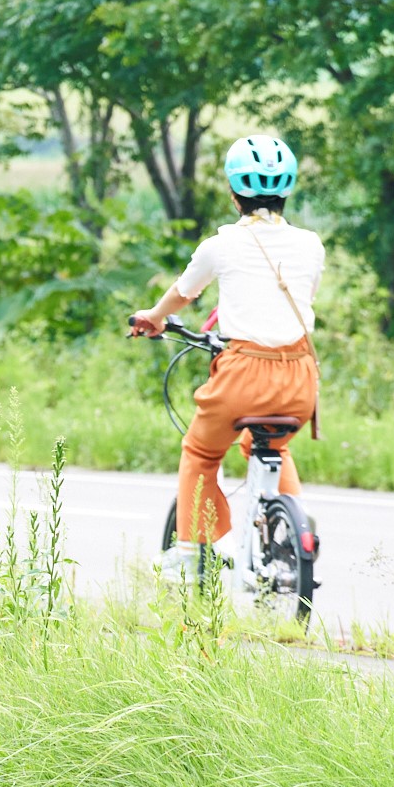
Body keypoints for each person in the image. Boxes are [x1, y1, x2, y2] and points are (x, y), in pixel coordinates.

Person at [126, 133, 324, 583]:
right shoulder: (312, 245)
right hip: (300, 376)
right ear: (286, 191)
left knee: (199, 451)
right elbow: (299, 297)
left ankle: (191, 551)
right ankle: (295, 526)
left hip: (243, 372)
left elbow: (183, 293)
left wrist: (153, 319)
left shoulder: (221, 244)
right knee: (271, 442)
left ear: (234, 194)